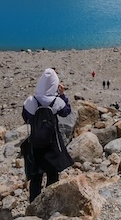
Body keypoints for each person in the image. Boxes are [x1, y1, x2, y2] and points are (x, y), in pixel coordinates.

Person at [21, 68, 73, 202]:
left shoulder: (31, 101)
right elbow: (66, 112)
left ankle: (34, 205)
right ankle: (49, 203)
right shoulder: (56, 101)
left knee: (36, 177)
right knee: (52, 174)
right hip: (52, 143)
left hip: (35, 143)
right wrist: (62, 95)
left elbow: (25, 117)